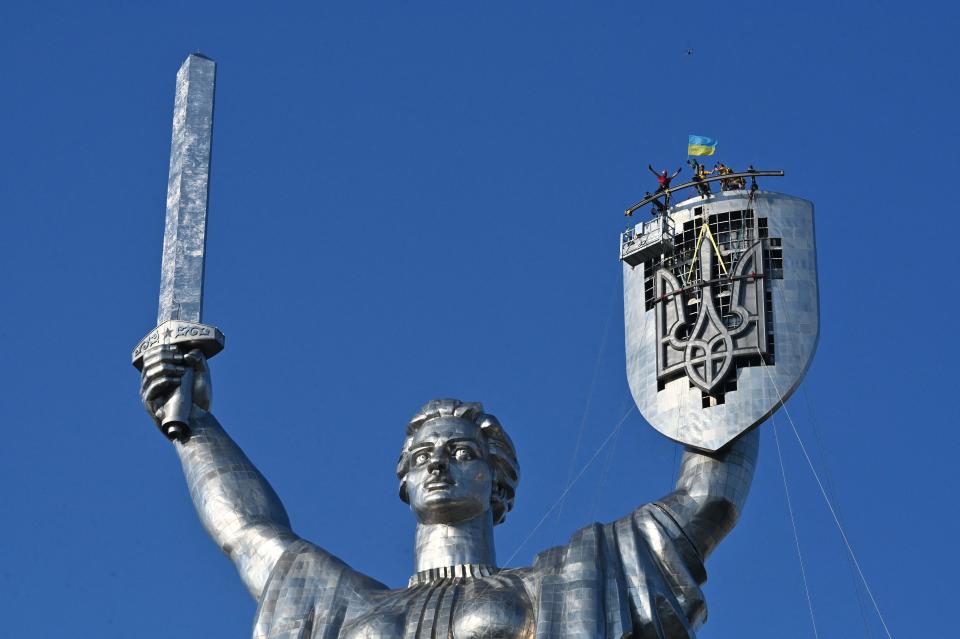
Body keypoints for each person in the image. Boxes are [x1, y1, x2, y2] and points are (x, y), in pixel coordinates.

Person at [139, 347, 758, 638]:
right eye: (420, 457)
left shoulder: (563, 583)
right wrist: (193, 425)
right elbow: (247, 532)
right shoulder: (348, 604)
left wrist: (731, 368)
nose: (437, 465)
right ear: (403, 483)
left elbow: (705, 503)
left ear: (497, 481)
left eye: (460, 453)